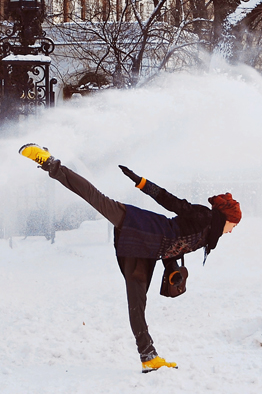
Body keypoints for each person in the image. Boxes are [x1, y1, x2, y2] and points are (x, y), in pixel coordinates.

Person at [20, 143, 241, 373]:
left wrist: (172, 266)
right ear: (226, 218)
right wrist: (143, 183)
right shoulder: (204, 216)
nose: (232, 230)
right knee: (95, 197)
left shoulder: (207, 236)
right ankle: (49, 163)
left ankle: (148, 357)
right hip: (142, 227)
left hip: (146, 252)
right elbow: (171, 202)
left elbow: (176, 242)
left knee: (137, 306)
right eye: (233, 225)